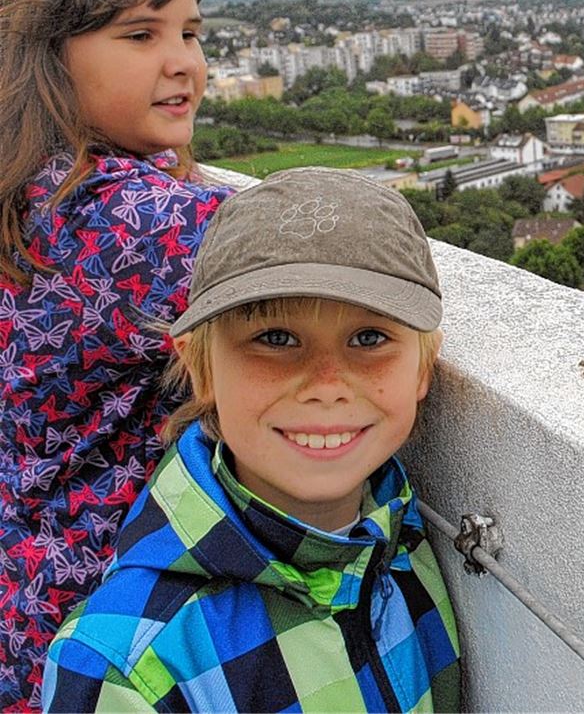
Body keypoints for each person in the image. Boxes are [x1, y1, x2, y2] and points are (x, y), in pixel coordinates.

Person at [42, 167, 462, 712]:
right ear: (200, 368)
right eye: (275, 338)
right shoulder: (126, 668)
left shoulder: (396, 531)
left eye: (369, 337)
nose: (327, 385)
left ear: (423, 371)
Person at [0, 0, 234, 709]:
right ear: (45, 59)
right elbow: (321, 253)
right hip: (108, 642)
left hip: (33, 620)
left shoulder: (36, 191)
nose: (182, 62)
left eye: (191, 31)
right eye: (141, 35)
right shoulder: (113, 218)